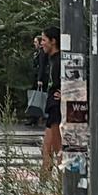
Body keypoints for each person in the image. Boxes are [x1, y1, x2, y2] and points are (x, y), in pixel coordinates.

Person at [41, 27, 62, 175]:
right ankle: (44, 177)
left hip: (56, 106)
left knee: (58, 147)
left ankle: (64, 179)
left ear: (53, 41)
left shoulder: (59, 60)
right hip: (52, 104)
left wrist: (66, 93)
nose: (42, 43)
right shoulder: (52, 59)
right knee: (47, 147)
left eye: (44, 40)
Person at [28, 35, 48, 127]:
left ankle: (35, 117)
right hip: (36, 76)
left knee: (37, 97)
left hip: (39, 78)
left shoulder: (42, 53)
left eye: (36, 42)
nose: (34, 44)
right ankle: (34, 117)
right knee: (35, 96)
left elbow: (42, 66)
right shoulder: (38, 52)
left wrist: (40, 79)